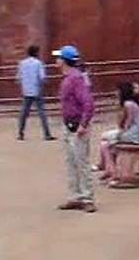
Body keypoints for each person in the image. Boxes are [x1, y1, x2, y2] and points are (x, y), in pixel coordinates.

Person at [54, 44, 96, 213]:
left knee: (81, 162)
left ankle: (86, 197)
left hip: (77, 124)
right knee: (71, 161)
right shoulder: (72, 78)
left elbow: (88, 103)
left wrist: (83, 124)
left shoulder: (75, 79)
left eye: (58, 58)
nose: (56, 60)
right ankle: (76, 195)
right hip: (70, 123)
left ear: (64, 61)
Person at [96, 82, 139, 180]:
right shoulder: (133, 103)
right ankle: (109, 168)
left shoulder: (127, 104)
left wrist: (120, 132)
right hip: (137, 133)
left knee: (105, 136)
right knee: (105, 145)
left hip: (133, 135)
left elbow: (125, 124)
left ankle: (108, 168)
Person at [17, 45, 55, 141]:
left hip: (26, 90)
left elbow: (18, 77)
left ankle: (21, 133)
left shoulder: (22, 63)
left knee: (24, 113)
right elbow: (42, 77)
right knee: (42, 112)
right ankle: (46, 133)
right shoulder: (38, 63)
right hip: (37, 90)